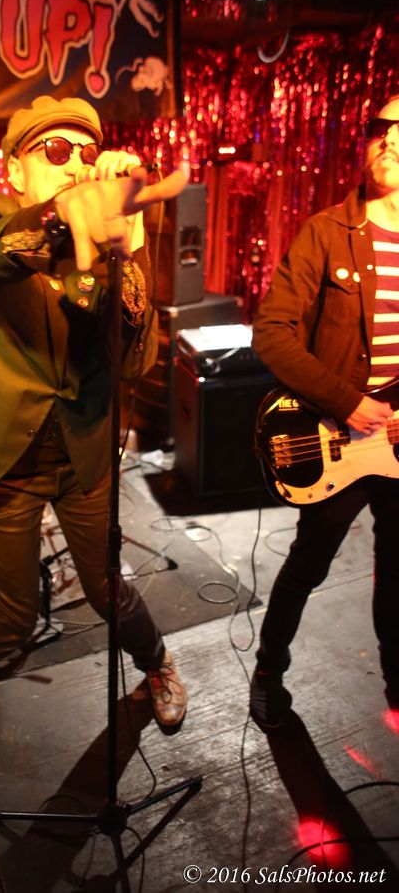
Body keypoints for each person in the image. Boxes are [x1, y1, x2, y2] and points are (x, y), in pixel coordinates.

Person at [0, 95, 190, 787]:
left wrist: (128, 249)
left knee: (107, 588)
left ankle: (158, 664)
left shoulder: (105, 239)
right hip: (8, 458)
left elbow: (134, 361)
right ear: (17, 167)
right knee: (10, 619)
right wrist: (65, 213)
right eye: (55, 152)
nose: (73, 164)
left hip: (83, 453)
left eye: (84, 153)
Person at [250, 93, 399, 730]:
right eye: (380, 126)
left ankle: (396, 680)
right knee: (309, 565)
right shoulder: (327, 231)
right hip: (340, 437)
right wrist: (349, 403)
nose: (388, 137)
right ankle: (268, 672)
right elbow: (271, 332)